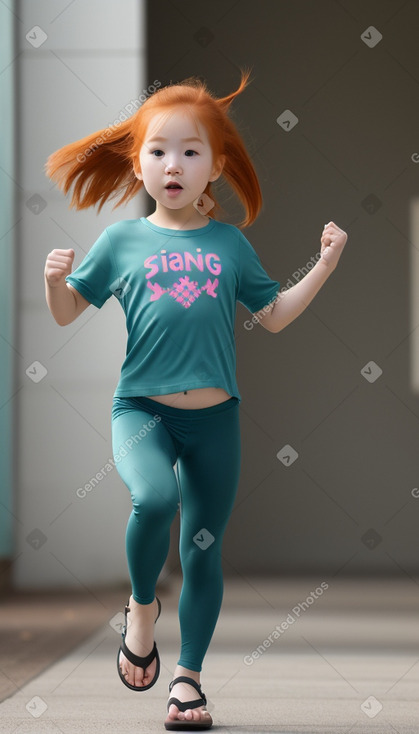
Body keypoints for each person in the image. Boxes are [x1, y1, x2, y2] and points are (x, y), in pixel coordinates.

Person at [44, 68, 348, 730]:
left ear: (214, 168)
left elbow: (271, 315)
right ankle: (141, 610)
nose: (172, 163)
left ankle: (188, 683)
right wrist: (54, 282)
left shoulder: (227, 244)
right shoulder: (122, 242)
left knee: (202, 550)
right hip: (141, 413)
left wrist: (321, 265)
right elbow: (68, 313)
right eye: (157, 150)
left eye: (189, 151)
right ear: (138, 162)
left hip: (215, 422)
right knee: (153, 499)